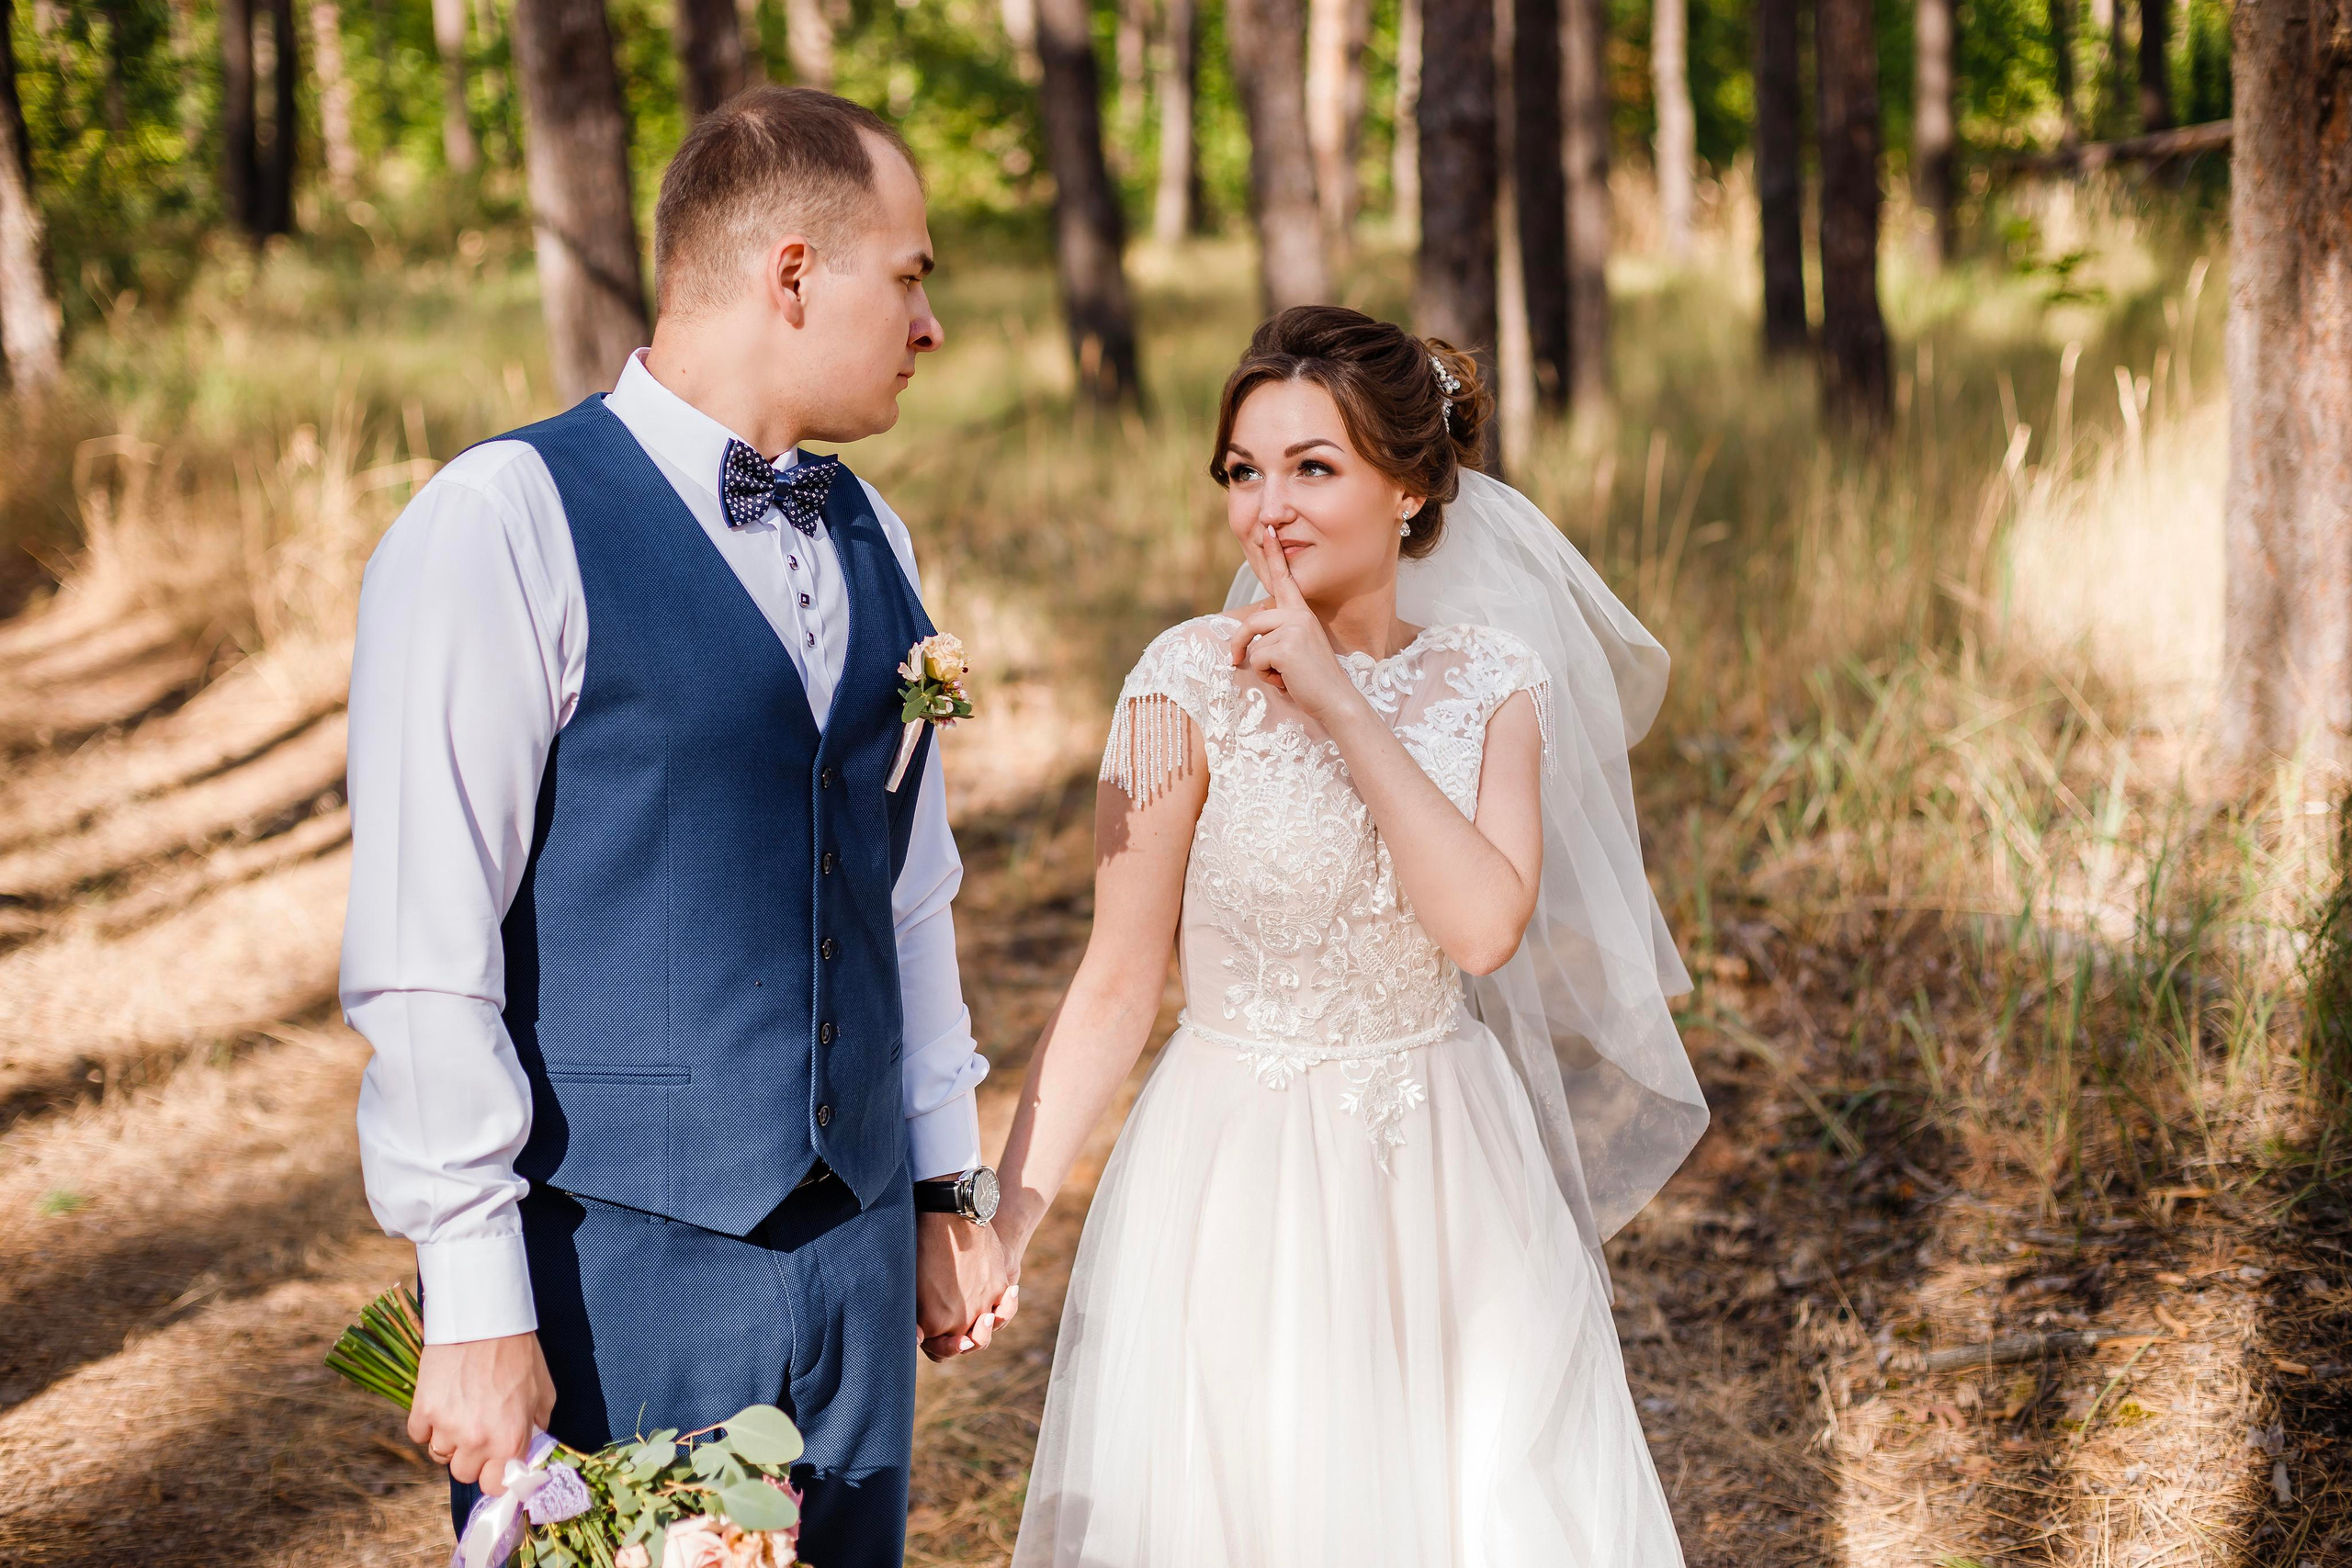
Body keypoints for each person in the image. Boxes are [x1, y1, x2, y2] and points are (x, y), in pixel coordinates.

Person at [338, 87, 1014, 1568]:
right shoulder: (502, 519)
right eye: (908, 277)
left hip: (851, 1272)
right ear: (791, 272)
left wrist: (948, 1184)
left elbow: (907, 892)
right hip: (618, 1274)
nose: (931, 324)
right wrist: (476, 1298)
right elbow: (420, 944)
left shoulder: (872, 531)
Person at [994, 305, 1711, 1565]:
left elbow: (1483, 927)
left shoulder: (1495, 683)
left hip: (1444, 1169)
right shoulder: (1181, 684)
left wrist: (1338, 701)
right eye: (1242, 470)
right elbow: (1113, 985)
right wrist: (1006, 1220)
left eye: (1311, 467)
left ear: (1413, 487)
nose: (1266, 507)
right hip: (1238, 1175)